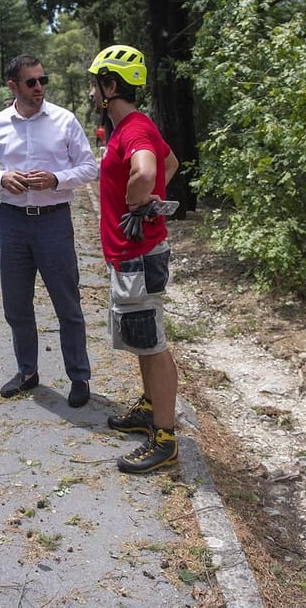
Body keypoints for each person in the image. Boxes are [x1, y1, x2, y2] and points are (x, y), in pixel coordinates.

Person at [0, 54, 99, 407]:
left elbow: (89, 167)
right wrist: (2, 177)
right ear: (13, 86)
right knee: (16, 304)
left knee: (67, 303)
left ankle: (79, 376)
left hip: (54, 221)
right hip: (12, 222)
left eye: (43, 79)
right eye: (32, 82)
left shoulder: (64, 120)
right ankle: (27, 371)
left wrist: (57, 178)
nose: (40, 87)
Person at [88, 45, 180, 473]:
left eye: (95, 85)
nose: (92, 93)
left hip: (139, 255)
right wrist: (147, 201)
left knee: (152, 341)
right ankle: (148, 409)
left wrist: (135, 198)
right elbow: (171, 163)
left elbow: (146, 170)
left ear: (110, 86)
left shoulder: (132, 130)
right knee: (141, 337)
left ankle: (164, 439)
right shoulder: (135, 126)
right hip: (134, 253)